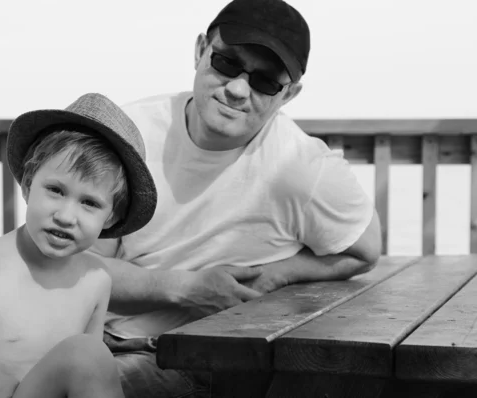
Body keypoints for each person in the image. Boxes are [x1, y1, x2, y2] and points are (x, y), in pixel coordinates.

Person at [91, 0, 383, 397]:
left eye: (265, 82)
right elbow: (83, 265)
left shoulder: (301, 166)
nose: (237, 89)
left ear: (289, 94)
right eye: (226, 63)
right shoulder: (131, 132)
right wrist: (186, 287)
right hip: (89, 338)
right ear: (199, 51)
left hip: (192, 362)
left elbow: (366, 249)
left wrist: (279, 273)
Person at [0, 93, 157, 398]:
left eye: (89, 203)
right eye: (55, 190)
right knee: (86, 352)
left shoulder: (96, 280)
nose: (65, 216)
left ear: (110, 217)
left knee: (89, 354)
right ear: (28, 184)